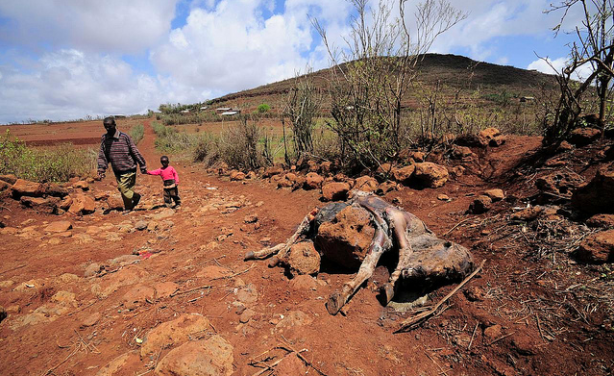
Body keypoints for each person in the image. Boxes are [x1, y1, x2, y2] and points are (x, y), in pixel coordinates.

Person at [97, 116, 147, 211]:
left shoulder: (124, 137)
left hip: (129, 167)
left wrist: (142, 164)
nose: (108, 129)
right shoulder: (105, 138)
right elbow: (102, 154)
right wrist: (101, 168)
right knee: (121, 188)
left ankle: (128, 208)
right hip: (117, 169)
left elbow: (134, 150)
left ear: (115, 125)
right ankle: (136, 197)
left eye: (110, 126)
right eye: (106, 127)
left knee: (124, 190)